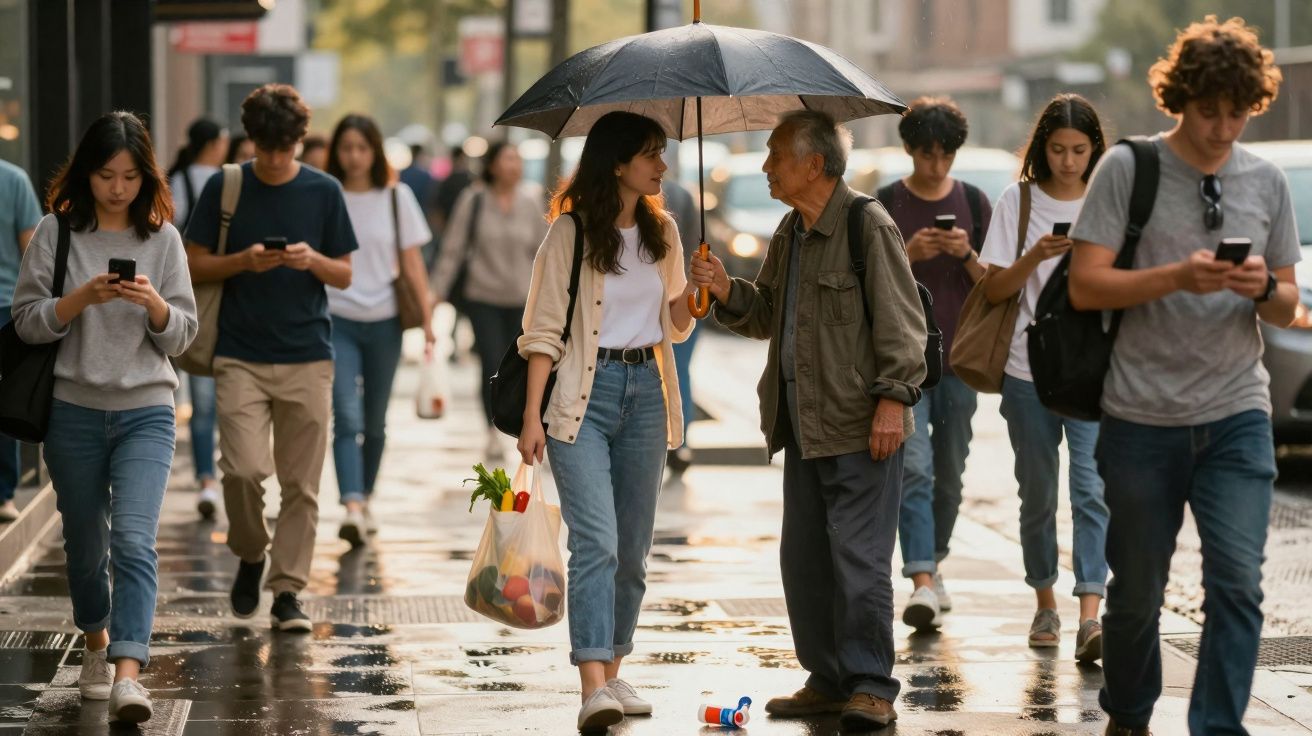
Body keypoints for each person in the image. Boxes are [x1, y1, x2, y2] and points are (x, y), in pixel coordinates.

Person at [1067, 17, 1297, 736]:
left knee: (1238, 586)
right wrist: (1175, 277)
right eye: (1209, 111)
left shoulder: (1267, 181)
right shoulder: (1127, 170)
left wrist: (1262, 287)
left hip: (1237, 414)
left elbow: (1290, 306)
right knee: (1136, 595)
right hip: (1139, 419)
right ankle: (1129, 716)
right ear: (1179, 100)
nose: (1224, 128)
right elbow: (1084, 285)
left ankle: (1217, 728)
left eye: (1239, 112)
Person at [691, 110, 927, 731]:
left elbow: (905, 325)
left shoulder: (866, 223)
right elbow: (767, 313)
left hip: (859, 425)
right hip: (803, 426)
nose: (766, 166)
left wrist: (892, 401)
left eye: (775, 154)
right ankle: (827, 679)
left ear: (813, 164)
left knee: (859, 560)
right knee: (806, 563)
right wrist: (723, 288)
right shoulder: (791, 230)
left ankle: (871, 684)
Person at [12, 111, 198, 724]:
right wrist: (78, 299)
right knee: (86, 547)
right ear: (85, 173)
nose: (117, 189)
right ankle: (95, 641)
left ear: (146, 177)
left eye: (128, 176)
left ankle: (127, 673)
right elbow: (26, 321)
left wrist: (156, 308)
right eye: (104, 175)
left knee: (134, 541)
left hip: (147, 409)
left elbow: (184, 337)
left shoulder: (162, 238)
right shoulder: (54, 232)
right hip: (73, 412)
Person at [516, 110, 695, 732]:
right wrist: (532, 417)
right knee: (597, 541)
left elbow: (675, 324)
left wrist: (696, 289)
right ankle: (593, 683)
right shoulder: (569, 233)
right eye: (651, 154)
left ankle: (616, 667)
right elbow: (540, 330)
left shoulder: (664, 231)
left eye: (664, 154)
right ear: (617, 162)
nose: (662, 165)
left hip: (647, 389)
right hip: (581, 398)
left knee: (636, 548)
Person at [184, 83, 357, 632]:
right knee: (241, 471)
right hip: (240, 353)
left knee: (302, 486)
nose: (277, 159)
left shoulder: (324, 191)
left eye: (286, 148)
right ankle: (251, 552)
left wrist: (312, 261)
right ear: (251, 141)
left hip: (309, 354)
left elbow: (347, 273)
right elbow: (191, 265)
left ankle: (287, 593)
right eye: (267, 148)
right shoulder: (226, 186)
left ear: (300, 141)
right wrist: (243, 262)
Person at [978, 94, 1110, 662]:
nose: (1069, 161)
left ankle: (1089, 614)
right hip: (1026, 372)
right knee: (1037, 494)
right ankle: (1044, 603)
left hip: (1091, 373)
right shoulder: (1019, 200)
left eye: (1079, 150)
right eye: (1057, 149)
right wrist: (1035, 256)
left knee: (1091, 490)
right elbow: (993, 289)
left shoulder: (1110, 201)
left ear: (1095, 149)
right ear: (1042, 148)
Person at [877, 97, 991, 630]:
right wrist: (910, 253)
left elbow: (997, 282)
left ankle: (934, 563)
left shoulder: (974, 201)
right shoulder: (884, 204)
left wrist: (965, 253)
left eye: (946, 156)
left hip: (962, 358)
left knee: (950, 473)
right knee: (915, 468)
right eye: (927, 156)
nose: (937, 166)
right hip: (906, 361)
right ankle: (921, 578)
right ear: (910, 151)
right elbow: (871, 281)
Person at [324, 114, 435, 546]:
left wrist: (427, 320)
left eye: (361, 148)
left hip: (386, 321)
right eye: (346, 148)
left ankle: (365, 497)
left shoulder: (396, 196)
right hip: (337, 319)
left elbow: (411, 262)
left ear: (374, 151)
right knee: (346, 415)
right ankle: (351, 503)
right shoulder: (327, 195)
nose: (353, 156)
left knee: (375, 422)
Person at [431, 141, 546, 459]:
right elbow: (452, 249)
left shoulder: (531, 200)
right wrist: (436, 291)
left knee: (524, 367)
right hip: (483, 296)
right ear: (493, 165)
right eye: (508, 158)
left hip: (523, 299)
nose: (515, 165)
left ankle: (525, 424)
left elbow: (545, 250)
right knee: (492, 363)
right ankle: (492, 429)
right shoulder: (474, 199)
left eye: (518, 159)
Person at [166, 117, 229, 520]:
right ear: (216, 143)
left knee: (202, 400)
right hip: (222, 294)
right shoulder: (228, 182)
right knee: (217, 400)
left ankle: (208, 478)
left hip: (187, 293)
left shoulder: (177, 180)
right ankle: (214, 477)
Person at [0, 155, 43, 524]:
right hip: (4, 304)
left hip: (4, 307)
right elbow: (31, 248)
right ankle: (3, 494)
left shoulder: (14, 180)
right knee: (5, 399)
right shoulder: (14, 179)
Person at [662, 173, 699, 475]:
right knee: (679, 372)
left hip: (681, 302)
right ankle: (679, 441)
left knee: (679, 371)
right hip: (685, 299)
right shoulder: (683, 195)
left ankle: (677, 438)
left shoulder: (675, 208)